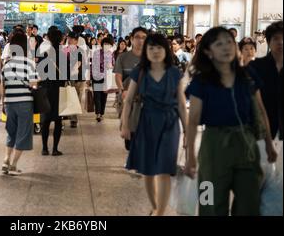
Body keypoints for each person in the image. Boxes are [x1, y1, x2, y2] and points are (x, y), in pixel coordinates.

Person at [185, 27, 278, 216]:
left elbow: (260, 111)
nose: (226, 47)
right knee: (209, 199)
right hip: (212, 146)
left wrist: (268, 144)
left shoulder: (248, 76)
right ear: (207, 51)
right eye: (218, 44)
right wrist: (190, 157)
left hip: (246, 144)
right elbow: (193, 120)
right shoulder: (201, 81)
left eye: (229, 42)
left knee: (249, 203)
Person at [120, 33, 187, 216]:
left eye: (159, 47)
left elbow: (181, 103)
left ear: (166, 49)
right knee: (148, 170)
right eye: (151, 48)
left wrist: (188, 132)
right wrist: (125, 125)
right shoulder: (140, 71)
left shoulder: (175, 73)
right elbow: (128, 100)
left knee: (165, 170)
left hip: (170, 124)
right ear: (146, 52)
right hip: (146, 122)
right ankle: (156, 205)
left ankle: (160, 213)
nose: (155, 51)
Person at [1, 30, 38, 173]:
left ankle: (5, 160)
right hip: (25, 103)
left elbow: (3, 86)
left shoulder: (7, 65)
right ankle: (13, 164)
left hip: (9, 103)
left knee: (11, 133)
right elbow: (34, 85)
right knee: (23, 134)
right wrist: (36, 82)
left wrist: (4, 104)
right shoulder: (29, 64)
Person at [248, 21, 283, 141]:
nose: (281, 42)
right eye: (276, 39)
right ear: (268, 42)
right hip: (261, 131)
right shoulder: (256, 66)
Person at [40, 28, 66, 155]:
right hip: (59, 91)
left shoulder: (45, 55)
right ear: (61, 39)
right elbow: (67, 75)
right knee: (58, 120)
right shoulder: (63, 55)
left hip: (46, 90)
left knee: (45, 120)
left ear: (49, 39)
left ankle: (44, 148)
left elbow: (40, 74)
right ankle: (55, 149)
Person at [64, 31, 85, 129]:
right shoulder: (65, 50)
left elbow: (79, 63)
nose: (69, 40)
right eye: (68, 38)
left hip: (78, 79)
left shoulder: (79, 51)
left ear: (76, 41)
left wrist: (73, 71)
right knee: (69, 98)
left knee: (76, 99)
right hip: (68, 78)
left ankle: (73, 119)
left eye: (71, 39)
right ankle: (71, 116)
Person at [91, 37, 114, 122]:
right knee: (97, 96)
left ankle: (102, 113)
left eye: (108, 44)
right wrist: (90, 77)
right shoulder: (96, 53)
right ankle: (98, 113)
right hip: (96, 77)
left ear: (111, 45)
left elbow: (113, 65)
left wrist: (110, 66)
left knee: (104, 96)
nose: (106, 45)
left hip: (106, 78)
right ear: (102, 44)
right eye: (105, 44)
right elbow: (92, 65)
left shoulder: (111, 54)